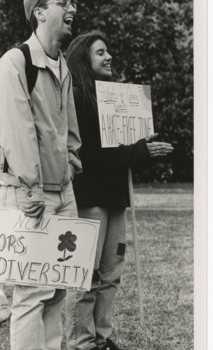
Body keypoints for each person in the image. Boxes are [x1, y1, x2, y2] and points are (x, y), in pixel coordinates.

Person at [64, 31, 173, 350]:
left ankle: (103, 336)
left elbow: (124, 148)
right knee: (87, 274)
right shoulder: (79, 99)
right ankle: (82, 341)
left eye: (108, 51)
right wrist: (141, 152)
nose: (109, 56)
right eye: (101, 52)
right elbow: (95, 154)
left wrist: (142, 146)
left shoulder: (115, 99)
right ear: (84, 59)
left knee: (112, 272)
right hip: (91, 196)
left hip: (115, 196)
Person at [0, 1, 81, 349]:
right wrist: (32, 188)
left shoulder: (63, 63)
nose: (72, 7)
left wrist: (71, 163)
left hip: (63, 191)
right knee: (31, 292)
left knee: (58, 286)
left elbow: (68, 126)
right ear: (39, 12)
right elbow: (16, 132)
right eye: (63, 2)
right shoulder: (15, 62)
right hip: (29, 194)